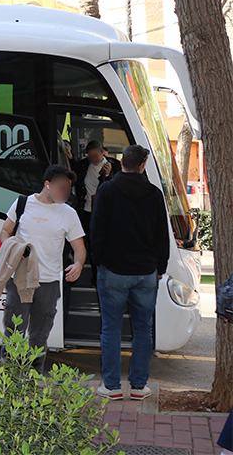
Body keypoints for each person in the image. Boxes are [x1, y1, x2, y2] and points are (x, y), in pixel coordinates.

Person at [91, 145, 169, 401]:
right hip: (146, 271)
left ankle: (111, 386)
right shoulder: (154, 194)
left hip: (113, 270)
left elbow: (97, 231)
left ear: (121, 162)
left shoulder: (107, 190)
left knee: (110, 329)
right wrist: (161, 266)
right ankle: (138, 386)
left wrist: (98, 262)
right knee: (143, 330)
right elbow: (161, 236)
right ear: (142, 165)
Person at [0, 165, 86, 373]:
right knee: (14, 332)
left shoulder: (68, 213)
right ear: (48, 185)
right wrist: (11, 248)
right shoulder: (22, 204)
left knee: (39, 336)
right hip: (21, 280)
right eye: (62, 188)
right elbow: (5, 231)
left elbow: (79, 248)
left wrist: (78, 264)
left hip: (49, 283)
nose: (66, 193)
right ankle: (9, 380)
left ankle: (33, 377)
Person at [75, 140, 120, 284]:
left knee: (104, 244)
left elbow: (118, 187)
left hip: (104, 213)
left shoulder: (114, 165)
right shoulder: (84, 165)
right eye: (90, 156)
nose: (93, 159)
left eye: (95, 156)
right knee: (90, 243)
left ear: (102, 153)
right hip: (87, 211)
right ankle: (95, 275)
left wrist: (108, 175)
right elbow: (74, 172)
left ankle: (105, 274)